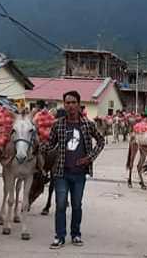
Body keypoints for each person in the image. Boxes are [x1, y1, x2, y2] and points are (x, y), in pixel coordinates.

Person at [42, 90, 105, 249]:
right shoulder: (58, 124)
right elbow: (50, 144)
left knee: (77, 205)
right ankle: (59, 236)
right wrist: (36, 146)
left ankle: (76, 234)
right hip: (61, 172)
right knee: (61, 204)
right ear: (64, 105)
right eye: (67, 103)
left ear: (78, 105)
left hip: (79, 173)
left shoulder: (87, 124)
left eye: (73, 102)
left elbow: (101, 141)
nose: (70, 106)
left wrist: (90, 157)